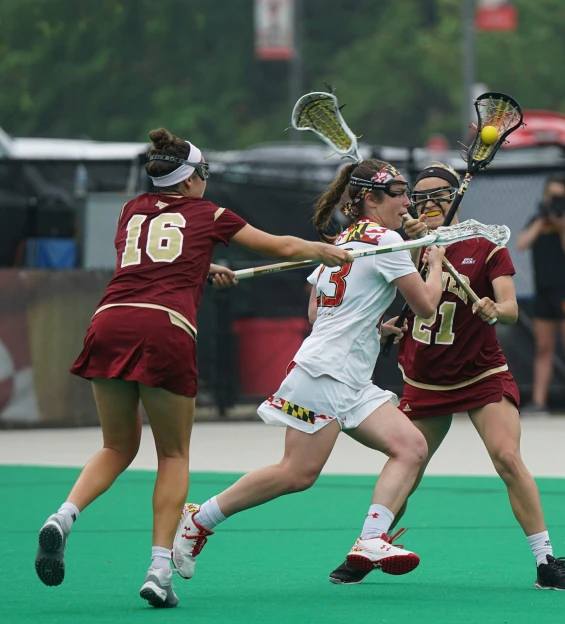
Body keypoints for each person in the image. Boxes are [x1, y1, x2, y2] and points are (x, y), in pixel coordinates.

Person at [34, 127, 352, 608]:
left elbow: (150, 260)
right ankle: (159, 571)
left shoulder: (131, 210)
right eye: (204, 174)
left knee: (116, 445)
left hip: (109, 320)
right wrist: (322, 250)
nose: (206, 181)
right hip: (165, 329)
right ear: (188, 181)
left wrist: (202, 268)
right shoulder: (210, 214)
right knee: (173, 455)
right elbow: (281, 247)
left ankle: (63, 516)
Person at [171, 159, 446, 585]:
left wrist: (373, 324)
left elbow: (318, 311)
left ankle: (371, 538)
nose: (408, 202)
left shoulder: (345, 239)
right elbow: (427, 306)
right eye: (400, 194)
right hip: (323, 374)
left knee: (410, 446)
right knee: (296, 473)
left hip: (350, 378)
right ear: (371, 200)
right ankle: (199, 519)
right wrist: (435, 260)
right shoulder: (386, 240)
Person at [328, 163, 565, 591]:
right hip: (424, 380)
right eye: (420, 196)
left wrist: (491, 308)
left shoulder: (485, 247)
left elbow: (510, 309)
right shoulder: (399, 246)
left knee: (507, 458)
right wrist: (386, 324)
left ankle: (546, 562)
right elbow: (367, 297)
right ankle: (367, 546)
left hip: (481, 374)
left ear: (456, 199)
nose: (428, 204)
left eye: (439, 196)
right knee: (407, 469)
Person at [516, 175, 565, 415]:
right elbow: (521, 243)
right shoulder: (537, 220)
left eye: (559, 196)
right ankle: (539, 401)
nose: (554, 200)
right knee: (543, 347)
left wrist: (563, 226)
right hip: (542, 291)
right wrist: (541, 221)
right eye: (551, 195)